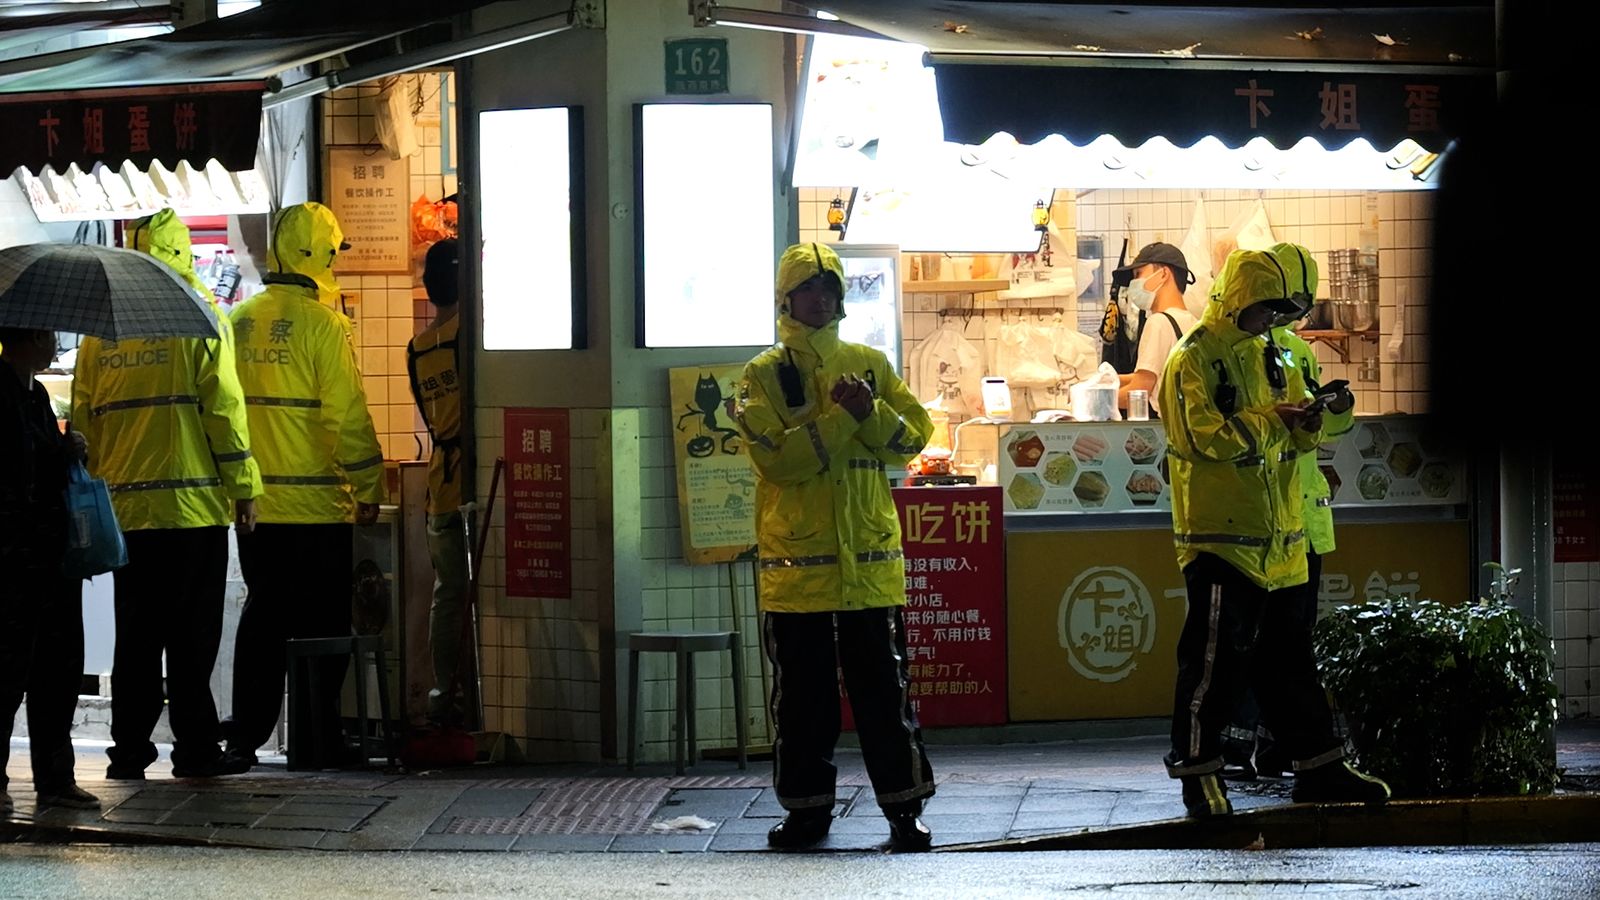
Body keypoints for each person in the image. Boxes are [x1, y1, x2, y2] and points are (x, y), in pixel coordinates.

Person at [1159, 247, 1389, 818]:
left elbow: (1317, 432)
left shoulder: (1289, 350)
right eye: (1267, 311)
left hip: (1289, 538)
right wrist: (1274, 421)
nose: (1275, 324)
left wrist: (1325, 413)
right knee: (1213, 665)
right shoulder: (1194, 357)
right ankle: (1198, 774)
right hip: (1222, 543)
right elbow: (1199, 439)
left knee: (1290, 660)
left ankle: (1319, 768)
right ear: (1240, 297)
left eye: (1286, 313)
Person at [734, 242, 936, 852]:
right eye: (809, 287)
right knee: (802, 703)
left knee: (885, 696)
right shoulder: (761, 375)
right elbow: (780, 462)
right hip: (798, 577)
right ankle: (806, 812)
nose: (822, 298)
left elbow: (912, 439)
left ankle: (905, 812)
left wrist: (868, 412)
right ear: (785, 297)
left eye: (830, 287)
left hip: (870, 571)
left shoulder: (870, 364)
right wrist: (844, 420)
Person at [72, 210, 263, 781]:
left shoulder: (101, 331)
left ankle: (128, 753)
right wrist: (244, 488)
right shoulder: (198, 314)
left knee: (135, 640)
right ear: (184, 255)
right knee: (191, 640)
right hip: (192, 511)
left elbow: (85, 424)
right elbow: (223, 412)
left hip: (128, 513)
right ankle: (196, 751)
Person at [219, 202, 386, 772]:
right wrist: (369, 484)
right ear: (323, 256)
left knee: (263, 618)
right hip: (318, 508)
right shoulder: (323, 326)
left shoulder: (237, 322)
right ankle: (317, 741)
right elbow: (346, 416)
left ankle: (244, 736)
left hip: (257, 508)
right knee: (320, 627)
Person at [1220, 243, 1357, 782]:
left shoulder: (1299, 353)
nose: (1288, 315)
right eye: (1281, 305)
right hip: (1256, 521)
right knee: (1254, 640)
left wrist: (1336, 411)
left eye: (1296, 306)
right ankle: (1235, 748)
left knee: (1293, 643)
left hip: (1304, 522)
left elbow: (1321, 431)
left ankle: (1285, 750)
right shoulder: (1229, 349)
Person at [1, 327, 99, 813]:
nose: (52, 343)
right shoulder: (3, 393)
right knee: (8, 672)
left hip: (51, 557)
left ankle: (56, 778)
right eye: (45, 336)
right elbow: (20, 469)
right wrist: (64, 450)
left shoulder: (35, 393)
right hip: (14, 559)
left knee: (57, 672)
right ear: (24, 339)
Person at [406, 239, 469, 724]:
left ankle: (444, 693)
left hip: (438, 487)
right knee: (472, 593)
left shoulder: (419, 347)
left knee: (447, 594)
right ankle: (466, 693)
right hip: (470, 481)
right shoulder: (473, 336)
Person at [1114, 242, 1198, 416]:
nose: (1133, 283)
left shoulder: (1158, 323)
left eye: (1138, 274)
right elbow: (1156, 374)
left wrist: (1094, 400)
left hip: (1165, 431)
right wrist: (1111, 381)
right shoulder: (1191, 322)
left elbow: (1140, 391)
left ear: (1163, 274)